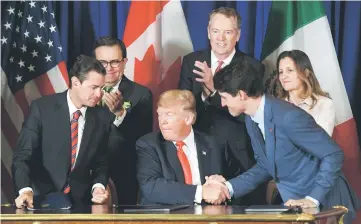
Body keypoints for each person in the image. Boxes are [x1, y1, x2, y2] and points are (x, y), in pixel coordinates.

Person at [209, 61, 360, 223]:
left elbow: (333, 154)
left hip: (327, 205)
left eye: (224, 97)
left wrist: (313, 198)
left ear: (241, 94)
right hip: (297, 206)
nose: (222, 104)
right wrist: (228, 188)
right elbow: (265, 166)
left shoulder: (288, 117)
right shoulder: (251, 119)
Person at [178, 6, 266, 204]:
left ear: (238, 35)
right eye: (216, 31)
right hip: (197, 153)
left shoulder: (252, 66)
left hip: (237, 155)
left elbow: (251, 114)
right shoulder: (191, 61)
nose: (221, 38)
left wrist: (214, 91)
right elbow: (183, 106)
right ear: (208, 32)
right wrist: (203, 96)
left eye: (228, 32)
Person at [12, 55, 111, 208]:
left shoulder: (102, 117)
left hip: (81, 204)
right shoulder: (42, 109)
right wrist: (25, 190)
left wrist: (98, 187)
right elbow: (22, 156)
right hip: (39, 200)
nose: (99, 94)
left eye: (102, 88)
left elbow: (102, 163)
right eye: (94, 87)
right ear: (75, 82)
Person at [136, 90, 244, 205]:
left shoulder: (215, 145)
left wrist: (224, 184)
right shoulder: (149, 144)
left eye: (169, 114)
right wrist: (201, 192)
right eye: (159, 114)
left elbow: (239, 179)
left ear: (188, 118)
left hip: (208, 218)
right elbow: (151, 186)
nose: (162, 121)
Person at [93, 36, 153, 205]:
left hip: (123, 175)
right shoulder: (84, 92)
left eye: (115, 62)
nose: (109, 68)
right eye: (102, 62)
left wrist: (120, 113)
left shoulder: (141, 94)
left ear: (124, 62)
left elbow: (142, 139)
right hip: (85, 176)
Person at [276, 49, 335, 136]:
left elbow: (321, 142)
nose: (284, 76)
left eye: (290, 70)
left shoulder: (324, 104)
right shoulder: (275, 106)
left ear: (306, 73)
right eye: (281, 72)